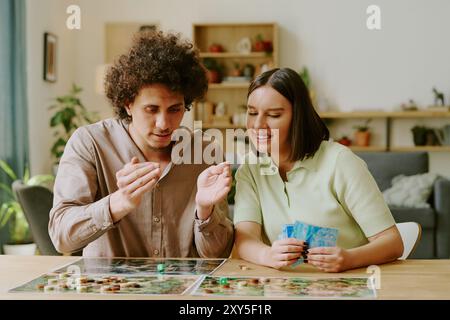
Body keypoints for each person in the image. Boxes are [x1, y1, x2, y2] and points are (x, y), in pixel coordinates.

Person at [49, 31, 234, 258]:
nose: (164, 124)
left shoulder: (205, 152)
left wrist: (205, 213)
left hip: (182, 291)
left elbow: (218, 255)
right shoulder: (90, 143)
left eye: (175, 109)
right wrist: (118, 203)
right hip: (112, 291)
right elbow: (61, 237)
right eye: (151, 109)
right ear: (128, 104)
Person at [234, 68, 403, 272]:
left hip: (348, 284)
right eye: (252, 112)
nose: (258, 124)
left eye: (273, 115)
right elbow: (245, 239)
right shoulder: (250, 169)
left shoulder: (340, 162)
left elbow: (392, 243)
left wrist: (349, 258)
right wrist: (267, 254)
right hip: (284, 289)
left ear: (298, 117)